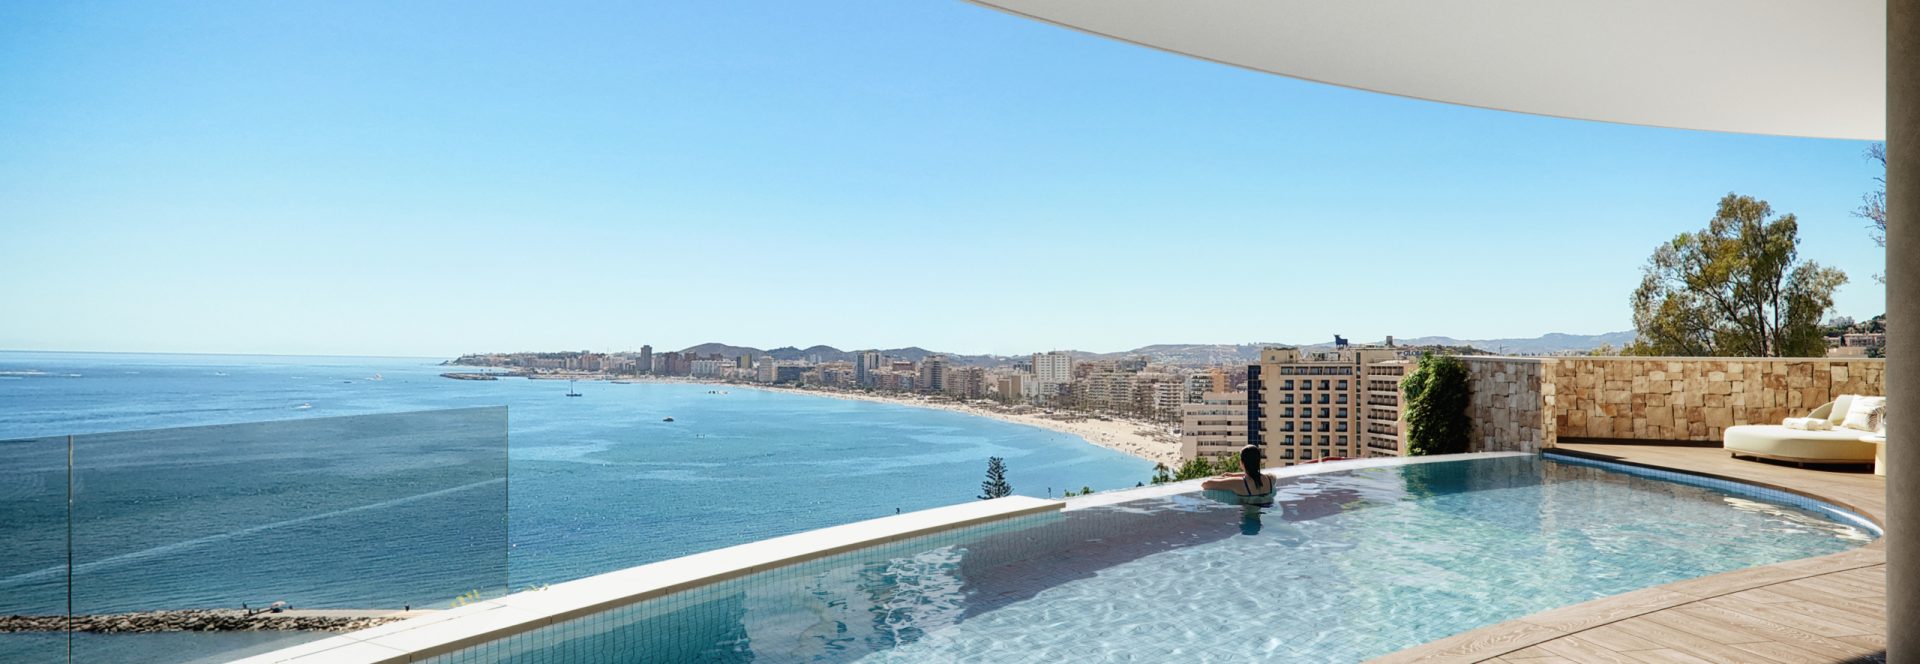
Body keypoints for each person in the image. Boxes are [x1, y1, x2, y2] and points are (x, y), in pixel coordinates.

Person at [1200, 444, 1273, 498]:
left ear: (1242, 463)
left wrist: (1227, 478)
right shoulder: (1270, 479)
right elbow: (1256, 474)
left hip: (1249, 517)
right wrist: (1233, 475)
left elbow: (1205, 484)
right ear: (1259, 462)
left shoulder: (1239, 483)